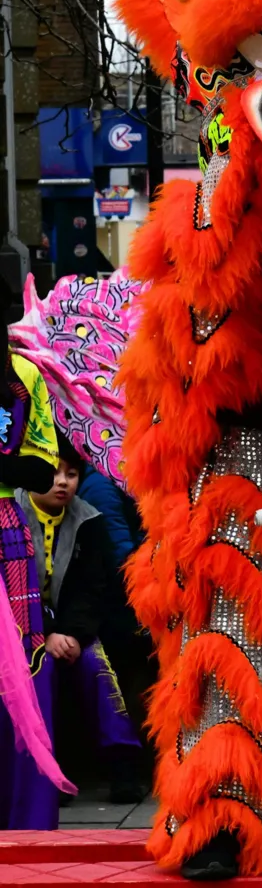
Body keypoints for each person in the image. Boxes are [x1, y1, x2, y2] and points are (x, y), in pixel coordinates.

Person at [16, 440, 144, 805]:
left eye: (71, 474)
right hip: (19, 629)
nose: (62, 482)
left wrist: (69, 632)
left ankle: (124, 766)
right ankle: (47, 770)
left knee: (96, 667)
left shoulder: (89, 520)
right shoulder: (11, 515)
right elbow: (12, 586)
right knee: (38, 671)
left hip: (74, 630)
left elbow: (94, 587)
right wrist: (46, 630)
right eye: (54, 473)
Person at [0, 306, 68, 829]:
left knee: (20, 672)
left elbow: (41, 468)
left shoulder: (24, 375)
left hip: (6, 533)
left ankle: (27, 816)